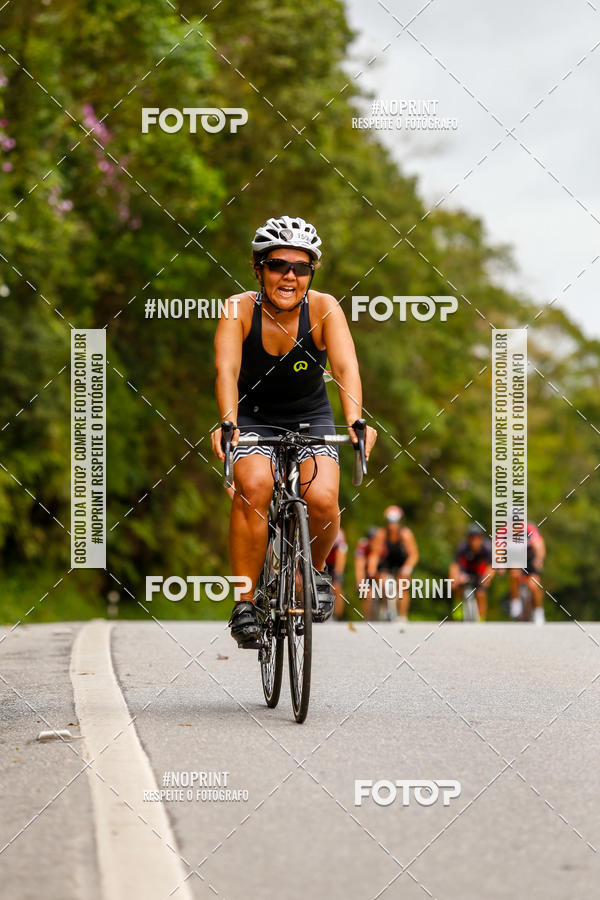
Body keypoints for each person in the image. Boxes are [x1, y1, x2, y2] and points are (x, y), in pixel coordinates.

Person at [211, 215, 377, 646]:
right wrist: (228, 422)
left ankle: (315, 573)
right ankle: (245, 602)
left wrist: (356, 420)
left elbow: (346, 369)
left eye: (300, 268)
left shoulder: (324, 309)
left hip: (311, 416)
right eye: (278, 265)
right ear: (258, 269)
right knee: (253, 485)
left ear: (311, 273)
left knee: (321, 498)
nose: (289, 276)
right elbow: (226, 370)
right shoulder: (237, 309)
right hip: (253, 417)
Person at [367, 506, 418, 622]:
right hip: (387, 564)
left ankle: (402, 616)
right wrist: (372, 568)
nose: (392, 525)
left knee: (403, 584)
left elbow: (414, 554)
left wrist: (408, 567)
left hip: (402, 564)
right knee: (382, 582)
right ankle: (384, 608)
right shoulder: (381, 534)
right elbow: (375, 554)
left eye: (395, 522)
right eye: (390, 521)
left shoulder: (406, 534)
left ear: (399, 522)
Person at [449, 523, 494, 621]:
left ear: (481, 538)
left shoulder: (487, 548)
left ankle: (481, 618)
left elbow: (491, 567)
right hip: (466, 573)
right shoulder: (462, 548)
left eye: (477, 538)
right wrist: (455, 578)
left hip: (481, 574)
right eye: (472, 538)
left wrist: (487, 578)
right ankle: (458, 608)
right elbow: (455, 565)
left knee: (481, 593)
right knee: (457, 586)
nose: (474, 541)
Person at [509, 521, 546, 624]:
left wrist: (539, 559)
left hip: (530, 560)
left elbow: (539, 545)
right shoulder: (505, 532)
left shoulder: (529, 530)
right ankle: (515, 602)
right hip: (516, 559)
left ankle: (538, 611)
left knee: (533, 586)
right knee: (514, 573)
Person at [354, 525, 379, 619]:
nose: (373, 542)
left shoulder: (383, 545)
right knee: (367, 592)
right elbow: (359, 566)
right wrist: (360, 582)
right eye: (371, 539)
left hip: (380, 571)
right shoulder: (362, 546)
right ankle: (367, 618)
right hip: (367, 572)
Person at [324, 525, 348, 620]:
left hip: (333, 563)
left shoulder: (339, 534)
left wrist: (338, 572)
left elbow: (341, 554)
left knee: (337, 586)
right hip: (321, 560)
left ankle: (337, 616)